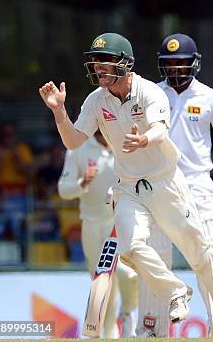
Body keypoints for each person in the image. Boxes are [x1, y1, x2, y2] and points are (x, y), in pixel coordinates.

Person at [38, 32, 213, 337]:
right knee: (130, 248)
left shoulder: (150, 92)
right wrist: (59, 112)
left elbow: (161, 129)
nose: (97, 68)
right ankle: (176, 291)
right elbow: (73, 141)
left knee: (200, 254)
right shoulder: (96, 101)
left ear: (124, 63)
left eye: (104, 61)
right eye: (94, 62)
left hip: (166, 183)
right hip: (128, 187)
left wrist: (144, 138)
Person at [141, 33, 213, 337]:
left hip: (197, 186)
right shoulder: (151, 94)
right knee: (156, 254)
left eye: (182, 63)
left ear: (194, 64)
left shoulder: (210, 97)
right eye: (170, 63)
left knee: (211, 252)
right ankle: (152, 331)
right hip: (159, 184)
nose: (176, 69)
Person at [58, 129, 138, 338]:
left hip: (120, 221)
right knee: (102, 284)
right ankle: (107, 333)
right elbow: (64, 190)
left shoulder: (125, 142)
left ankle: (128, 313)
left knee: (128, 275)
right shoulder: (78, 148)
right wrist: (83, 183)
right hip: (92, 225)